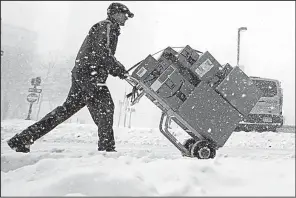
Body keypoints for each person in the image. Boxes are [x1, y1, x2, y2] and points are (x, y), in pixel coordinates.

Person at [7, 2, 134, 153]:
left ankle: (22, 139)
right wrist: (120, 70)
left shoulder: (110, 28)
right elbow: (102, 52)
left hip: (84, 73)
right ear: (115, 13)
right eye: (125, 14)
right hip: (89, 75)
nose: (126, 18)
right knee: (106, 108)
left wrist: (116, 70)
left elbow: (103, 55)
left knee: (65, 111)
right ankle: (107, 149)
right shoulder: (105, 26)